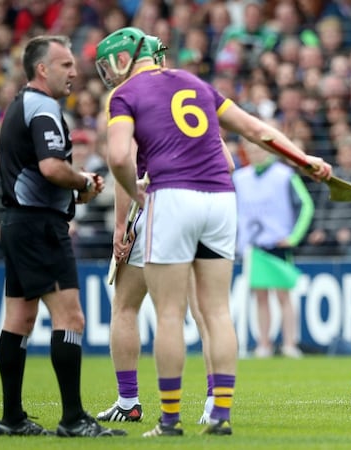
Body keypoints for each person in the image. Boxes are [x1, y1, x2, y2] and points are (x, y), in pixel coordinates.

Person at [96, 26, 331, 437]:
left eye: (108, 65)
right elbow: (252, 135)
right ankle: (219, 412)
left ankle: (169, 419)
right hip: (222, 200)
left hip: (171, 198)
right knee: (218, 311)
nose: (108, 74)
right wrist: (301, 157)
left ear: (122, 59)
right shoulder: (196, 83)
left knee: (169, 313)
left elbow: (118, 156)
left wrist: (135, 192)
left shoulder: (125, 95)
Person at [0, 35, 123, 437]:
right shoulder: (44, 108)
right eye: (65, 64)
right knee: (71, 318)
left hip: (19, 223)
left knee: (19, 319)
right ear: (42, 69)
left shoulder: (18, 106)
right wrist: (83, 179)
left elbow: (39, 173)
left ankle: (12, 418)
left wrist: (74, 190)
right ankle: (73, 419)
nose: (74, 71)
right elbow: (52, 168)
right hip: (40, 228)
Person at [96, 35, 223, 426]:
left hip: (156, 210)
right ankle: (215, 403)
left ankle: (129, 400)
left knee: (127, 306)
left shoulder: (129, 97)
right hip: (204, 206)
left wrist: (120, 226)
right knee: (206, 312)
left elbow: (123, 167)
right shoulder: (191, 88)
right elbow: (227, 160)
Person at [233, 140, 314, 358]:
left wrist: (294, 237)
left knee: (283, 295)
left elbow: (306, 205)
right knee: (260, 297)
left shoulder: (285, 175)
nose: (255, 154)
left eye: (259, 150)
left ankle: (289, 344)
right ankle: (264, 344)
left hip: (278, 244)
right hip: (252, 247)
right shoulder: (239, 178)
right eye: (251, 150)